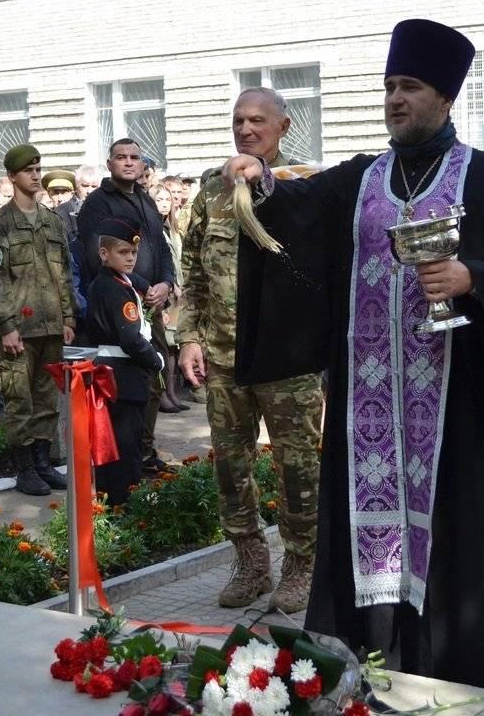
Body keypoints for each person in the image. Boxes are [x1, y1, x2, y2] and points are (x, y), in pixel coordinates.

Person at [220, 19, 484, 691]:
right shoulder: (362, 179)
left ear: (445, 97)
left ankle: (465, 665)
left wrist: (473, 276)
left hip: (457, 404)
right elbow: (301, 209)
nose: (395, 98)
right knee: (363, 525)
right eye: (389, 87)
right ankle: (369, 655)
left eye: (410, 86)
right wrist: (262, 179)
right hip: (369, 404)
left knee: (461, 529)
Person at [176, 87, 324, 613]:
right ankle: (250, 561)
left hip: (287, 360)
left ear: (284, 127)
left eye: (258, 121)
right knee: (230, 465)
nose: (245, 129)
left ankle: (302, 565)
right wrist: (188, 336)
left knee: (299, 466)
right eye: (238, 120)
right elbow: (191, 270)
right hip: (224, 356)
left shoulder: (302, 187)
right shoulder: (212, 191)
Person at [0, 143, 78, 495]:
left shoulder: (52, 222)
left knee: (47, 399)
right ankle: (24, 468)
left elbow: (65, 274)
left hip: (51, 325)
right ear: (12, 176)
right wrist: (6, 325)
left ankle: (42, 463)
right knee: (19, 399)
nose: (36, 176)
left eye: (39, 170)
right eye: (28, 171)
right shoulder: (0, 225)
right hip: (19, 331)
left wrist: (68, 316)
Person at [77, 139, 176, 473]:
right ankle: (125, 461)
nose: (129, 163)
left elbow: (161, 247)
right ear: (109, 164)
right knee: (128, 387)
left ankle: (144, 451)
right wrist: (146, 288)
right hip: (122, 304)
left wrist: (166, 283)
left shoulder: (147, 201)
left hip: (151, 303)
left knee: (152, 380)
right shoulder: (97, 203)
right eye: (121, 157)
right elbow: (99, 257)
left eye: (135, 157)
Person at [83, 217, 164, 506]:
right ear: (104, 254)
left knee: (114, 444)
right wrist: (156, 361)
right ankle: (124, 504)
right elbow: (130, 338)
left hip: (113, 372)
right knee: (125, 446)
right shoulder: (116, 288)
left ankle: (113, 499)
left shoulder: (113, 282)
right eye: (123, 252)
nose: (130, 258)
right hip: (124, 375)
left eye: (133, 253)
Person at [151, 184, 188, 414]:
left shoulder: (172, 228)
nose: (165, 203)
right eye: (160, 199)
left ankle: (172, 391)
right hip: (165, 294)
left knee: (174, 346)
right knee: (162, 346)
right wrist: (170, 285)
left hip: (179, 295)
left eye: (168, 199)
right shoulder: (153, 228)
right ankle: (162, 392)